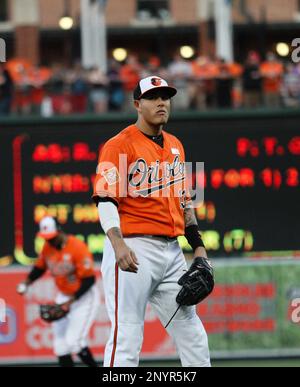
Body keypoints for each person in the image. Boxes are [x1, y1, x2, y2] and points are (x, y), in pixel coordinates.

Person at [93, 76, 211, 367]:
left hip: (172, 251)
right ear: (137, 104)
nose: (161, 102)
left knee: (192, 332)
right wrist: (117, 243)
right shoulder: (119, 145)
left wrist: (198, 248)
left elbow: (185, 202)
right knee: (127, 336)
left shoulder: (175, 146)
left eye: (165, 97)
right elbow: (106, 199)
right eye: (153, 97)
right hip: (134, 249)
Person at [17, 216, 99, 367]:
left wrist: (70, 302)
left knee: (75, 342)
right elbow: (40, 267)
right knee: (60, 346)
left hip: (84, 297)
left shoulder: (77, 247)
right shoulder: (48, 247)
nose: (49, 241)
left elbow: (89, 280)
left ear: (59, 231)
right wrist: (26, 282)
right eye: (46, 238)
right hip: (64, 295)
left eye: (52, 237)